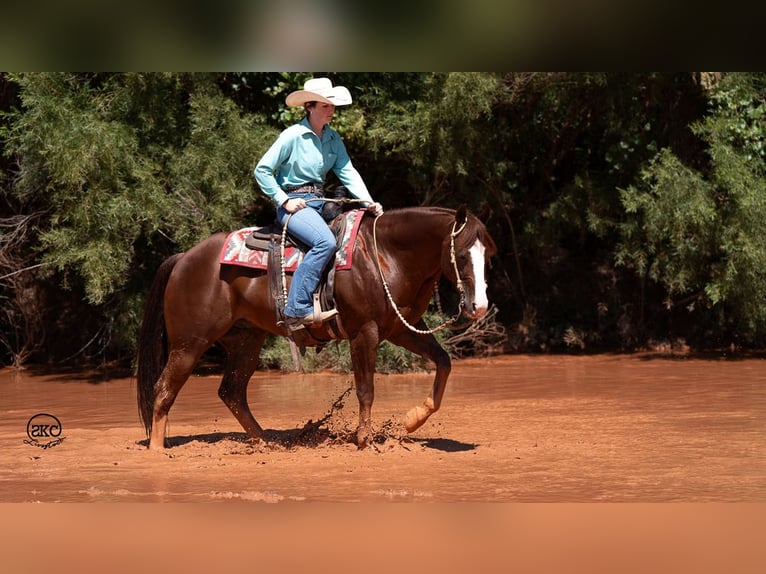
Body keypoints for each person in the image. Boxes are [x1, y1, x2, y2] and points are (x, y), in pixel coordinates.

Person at [254, 77, 384, 332]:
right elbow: (262, 170)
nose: (331, 109)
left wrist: (368, 202)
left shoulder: (333, 139)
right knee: (326, 242)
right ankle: (296, 308)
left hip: (320, 202)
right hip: (294, 205)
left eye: (332, 105)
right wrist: (284, 200)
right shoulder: (292, 135)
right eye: (325, 105)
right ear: (310, 106)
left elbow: (348, 172)